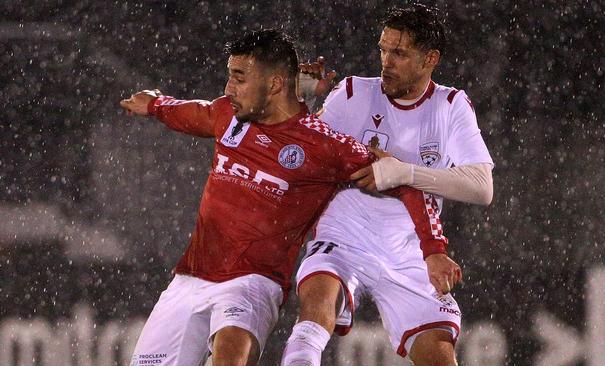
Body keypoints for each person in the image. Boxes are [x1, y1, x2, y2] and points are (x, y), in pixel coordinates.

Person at [118, 29, 443, 366]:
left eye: (239, 77)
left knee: (230, 354)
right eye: (230, 76)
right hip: (188, 281)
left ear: (274, 84)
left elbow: (406, 182)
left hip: (252, 282)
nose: (229, 89)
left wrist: (434, 252)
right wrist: (155, 104)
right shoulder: (229, 116)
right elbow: (195, 113)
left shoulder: (324, 145)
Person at [281, 4, 494, 366]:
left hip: (410, 248)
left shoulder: (450, 105)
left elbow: (481, 187)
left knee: (439, 354)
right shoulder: (353, 93)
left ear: (430, 59)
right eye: (383, 49)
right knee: (317, 309)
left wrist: (404, 172)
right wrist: (301, 104)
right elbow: (298, 155)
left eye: (399, 53)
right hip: (344, 232)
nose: (386, 62)